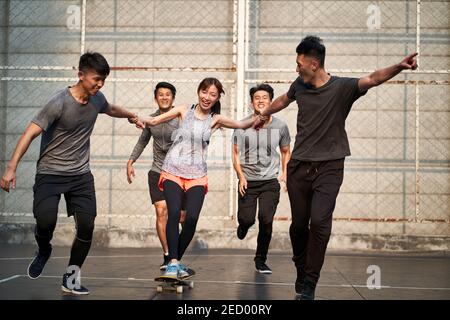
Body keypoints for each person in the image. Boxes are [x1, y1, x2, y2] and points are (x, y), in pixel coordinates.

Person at [256, 36, 418, 300]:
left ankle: (309, 282)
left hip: (329, 167)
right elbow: (283, 100)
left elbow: (373, 78)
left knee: (319, 222)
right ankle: (301, 268)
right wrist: (262, 115)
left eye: (299, 64)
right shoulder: (300, 85)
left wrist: (399, 66)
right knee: (298, 227)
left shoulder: (342, 87)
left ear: (314, 63)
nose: (296, 69)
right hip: (299, 168)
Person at [0, 52, 143, 295]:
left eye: (103, 80)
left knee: (87, 225)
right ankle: (43, 248)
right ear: (80, 75)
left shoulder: (98, 99)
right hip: (50, 173)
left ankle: (71, 276)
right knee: (46, 221)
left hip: (80, 175)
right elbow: (29, 133)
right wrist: (11, 168)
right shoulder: (59, 102)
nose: (100, 84)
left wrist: (131, 115)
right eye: (96, 79)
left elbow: (110, 108)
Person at [140, 77, 261, 279]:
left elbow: (241, 124)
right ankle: (173, 262)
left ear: (216, 98)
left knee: (192, 219)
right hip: (172, 170)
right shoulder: (183, 110)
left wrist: (260, 115)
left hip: (197, 175)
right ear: (199, 92)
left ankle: (175, 260)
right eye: (204, 92)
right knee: (174, 212)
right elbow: (153, 120)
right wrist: (135, 117)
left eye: (212, 94)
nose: (207, 97)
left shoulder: (215, 119)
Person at [232, 83, 291, 274]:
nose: (260, 101)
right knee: (247, 219)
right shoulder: (242, 126)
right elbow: (235, 154)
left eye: (264, 97)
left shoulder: (280, 126)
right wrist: (240, 177)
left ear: (271, 101)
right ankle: (243, 226)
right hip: (248, 181)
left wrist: (285, 173)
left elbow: (285, 151)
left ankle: (260, 260)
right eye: (257, 98)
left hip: (269, 181)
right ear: (251, 102)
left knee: (266, 220)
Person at [127, 81, 186, 270]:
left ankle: (177, 254)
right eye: (160, 94)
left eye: (168, 94)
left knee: (182, 218)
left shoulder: (181, 118)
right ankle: (168, 255)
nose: (164, 97)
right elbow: (142, 142)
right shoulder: (151, 120)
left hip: (178, 173)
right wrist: (131, 161)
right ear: (156, 98)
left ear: (173, 98)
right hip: (157, 171)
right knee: (162, 211)